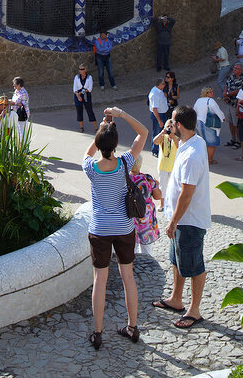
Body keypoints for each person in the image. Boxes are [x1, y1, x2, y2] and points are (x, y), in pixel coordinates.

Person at [82, 105, 148, 349]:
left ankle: (98, 333)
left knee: (100, 279)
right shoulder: (124, 163)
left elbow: (88, 153)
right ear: (116, 144)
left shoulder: (90, 168)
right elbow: (143, 133)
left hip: (99, 229)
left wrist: (100, 129)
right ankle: (132, 327)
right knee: (127, 276)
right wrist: (121, 114)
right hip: (123, 228)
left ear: (99, 143)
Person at [152, 105, 211, 330]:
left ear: (179, 125)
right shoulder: (191, 142)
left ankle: (194, 311)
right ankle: (176, 299)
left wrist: (174, 221)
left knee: (194, 264)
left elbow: (187, 193)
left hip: (189, 220)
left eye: (172, 121)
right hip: (182, 219)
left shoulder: (193, 155)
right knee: (177, 260)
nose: (169, 123)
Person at [130, 155, 160, 255]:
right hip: (145, 217)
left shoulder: (124, 179)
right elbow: (158, 196)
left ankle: (132, 267)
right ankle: (146, 265)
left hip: (129, 216)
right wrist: (157, 185)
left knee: (130, 247)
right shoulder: (147, 179)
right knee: (146, 249)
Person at [192, 86, 225, 165]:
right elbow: (217, 111)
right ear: (206, 93)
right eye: (210, 92)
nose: (212, 93)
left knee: (203, 142)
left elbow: (194, 111)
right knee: (211, 144)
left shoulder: (198, 100)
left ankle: (203, 159)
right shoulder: (211, 101)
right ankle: (209, 160)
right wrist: (223, 118)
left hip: (199, 123)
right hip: (209, 123)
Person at [153, 120, 179, 212]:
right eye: (168, 126)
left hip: (173, 167)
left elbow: (179, 146)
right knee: (163, 186)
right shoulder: (162, 137)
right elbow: (155, 142)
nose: (170, 129)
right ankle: (162, 204)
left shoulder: (177, 138)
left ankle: (173, 204)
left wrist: (173, 136)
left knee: (174, 186)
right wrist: (162, 133)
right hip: (162, 166)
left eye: (172, 127)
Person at [222, 63, 243, 148]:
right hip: (228, 103)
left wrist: (228, 93)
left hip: (236, 104)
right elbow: (226, 85)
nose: (234, 69)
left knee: (236, 124)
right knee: (230, 122)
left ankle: (239, 141)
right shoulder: (231, 77)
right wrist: (225, 93)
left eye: (236, 68)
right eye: (234, 68)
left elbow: (239, 91)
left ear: (240, 70)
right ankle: (233, 139)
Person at [73, 64, 98, 133]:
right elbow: (75, 88)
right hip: (78, 95)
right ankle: (81, 127)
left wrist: (81, 92)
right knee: (79, 111)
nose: (81, 70)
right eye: (80, 69)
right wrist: (78, 95)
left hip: (86, 95)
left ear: (85, 70)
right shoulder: (76, 77)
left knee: (90, 110)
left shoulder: (89, 78)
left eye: (82, 69)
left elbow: (89, 89)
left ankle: (96, 128)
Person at [148, 77, 168, 157]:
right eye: (163, 84)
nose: (165, 85)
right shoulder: (154, 94)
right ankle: (155, 150)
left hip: (163, 113)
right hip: (158, 115)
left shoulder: (159, 91)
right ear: (160, 85)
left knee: (162, 132)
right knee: (157, 133)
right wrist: (159, 120)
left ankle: (160, 148)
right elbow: (154, 109)